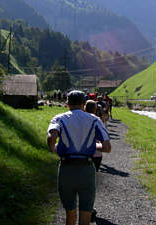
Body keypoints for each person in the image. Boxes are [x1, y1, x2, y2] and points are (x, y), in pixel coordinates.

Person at [47, 90, 111, 225]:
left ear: (67, 104)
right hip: (86, 170)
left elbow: (51, 137)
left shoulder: (59, 118)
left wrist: (53, 148)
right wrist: (93, 147)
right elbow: (107, 147)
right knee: (85, 215)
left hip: (66, 170)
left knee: (70, 214)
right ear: (84, 104)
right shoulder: (94, 120)